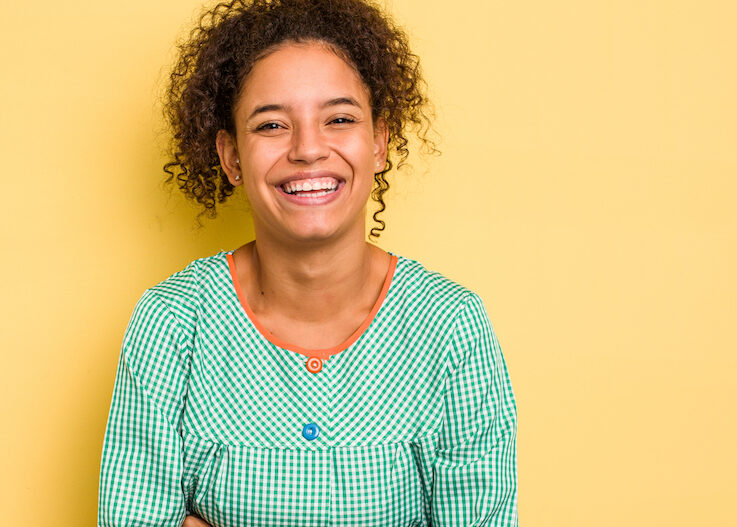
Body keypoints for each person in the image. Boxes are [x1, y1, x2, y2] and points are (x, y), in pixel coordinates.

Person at [97, 0, 518, 525]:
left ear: (379, 142)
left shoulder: (451, 328)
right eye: (272, 125)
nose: (308, 149)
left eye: (339, 118)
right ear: (230, 157)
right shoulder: (172, 322)